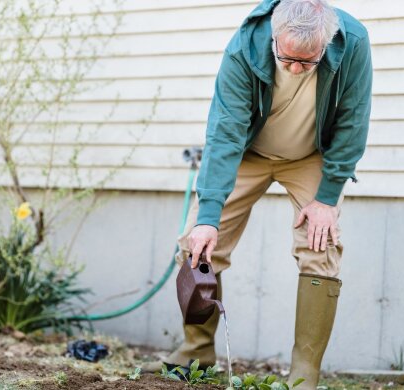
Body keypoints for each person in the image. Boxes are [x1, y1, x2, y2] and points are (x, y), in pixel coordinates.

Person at [145, 0, 372, 388]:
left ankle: (304, 374)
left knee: (321, 247)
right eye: (288, 60)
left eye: (308, 62)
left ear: (327, 41)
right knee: (198, 242)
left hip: (311, 157)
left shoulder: (352, 42)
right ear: (273, 38)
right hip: (248, 152)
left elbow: (354, 118)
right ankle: (196, 351)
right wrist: (208, 216)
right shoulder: (244, 46)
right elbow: (225, 129)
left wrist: (327, 198)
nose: (297, 69)